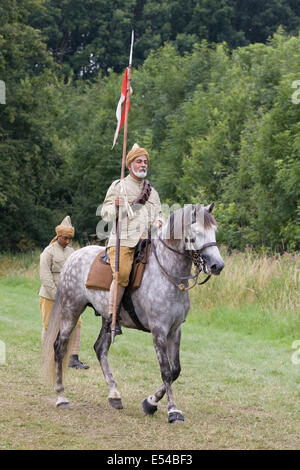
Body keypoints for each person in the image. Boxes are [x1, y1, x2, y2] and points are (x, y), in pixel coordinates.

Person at [101, 144, 163, 335]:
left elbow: (159, 213)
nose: (143, 164)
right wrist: (116, 207)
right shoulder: (118, 186)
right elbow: (105, 213)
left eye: (145, 162)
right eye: (139, 161)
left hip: (147, 241)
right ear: (130, 165)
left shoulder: (152, 192)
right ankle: (112, 316)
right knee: (123, 273)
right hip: (123, 241)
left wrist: (160, 221)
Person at [39, 216, 89, 369]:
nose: (68, 241)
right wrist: (57, 296)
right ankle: (47, 356)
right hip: (50, 296)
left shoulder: (72, 251)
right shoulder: (48, 252)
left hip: (70, 298)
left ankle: (73, 357)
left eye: (69, 239)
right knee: (49, 325)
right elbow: (45, 276)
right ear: (59, 236)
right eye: (65, 238)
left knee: (76, 324)